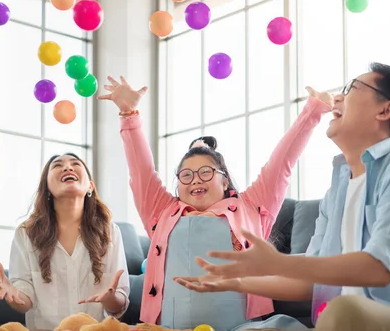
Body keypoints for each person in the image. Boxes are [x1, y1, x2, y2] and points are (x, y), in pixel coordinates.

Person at [175, 63, 390, 331]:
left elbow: (378, 268)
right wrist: (234, 283)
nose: (337, 99)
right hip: (342, 319)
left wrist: (277, 263)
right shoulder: (337, 189)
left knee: (344, 312)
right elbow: (312, 280)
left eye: (351, 90)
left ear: (385, 110)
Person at [98, 75, 332, 330]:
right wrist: (129, 114)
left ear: (225, 181)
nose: (195, 180)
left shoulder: (251, 206)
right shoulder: (162, 211)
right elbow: (141, 170)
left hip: (240, 326)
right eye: (186, 174)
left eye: (206, 172)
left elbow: (282, 163)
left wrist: (313, 112)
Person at [0, 153, 130, 331]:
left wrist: (111, 300)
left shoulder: (110, 232)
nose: (67, 167)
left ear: (90, 186)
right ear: (46, 188)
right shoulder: (25, 234)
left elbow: (120, 302)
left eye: (75, 163)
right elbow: (24, 300)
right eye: (57, 165)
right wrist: (14, 296)